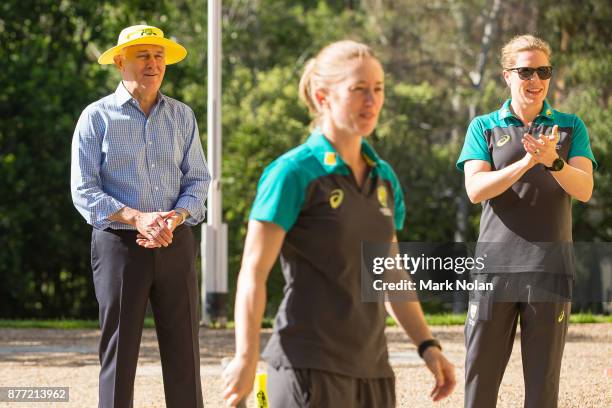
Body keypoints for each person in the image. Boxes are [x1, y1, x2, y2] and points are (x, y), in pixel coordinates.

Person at [222, 40, 455, 407]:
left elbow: (389, 272)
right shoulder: (293, 172)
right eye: (358, 90)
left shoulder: (384, 178)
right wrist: (246, 357)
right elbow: (253, 272)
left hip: (374, 371)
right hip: (307, 367)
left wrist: (428, 346)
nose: (371, 100)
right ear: (323, 96)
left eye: (378, 89)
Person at [71, 24, 210, 408]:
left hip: (175, 242)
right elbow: (83, 190)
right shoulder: (95, 117)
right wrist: (137, 218)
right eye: (142, 56)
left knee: (185, 353)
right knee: (119, 355)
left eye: (158, 56)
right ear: (120, 62)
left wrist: (176, 217)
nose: (153, 64)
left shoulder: (183, 116)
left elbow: (199, 180)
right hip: (119, 246)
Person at [456, 34, 597, 408]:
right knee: (480, 381)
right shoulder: (483, 126)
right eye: (525, 71)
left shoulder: (570, 127)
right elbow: (476, 190)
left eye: (543, 71)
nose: (535, 80)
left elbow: (584, 189)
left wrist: (553, 161)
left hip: (550, 270)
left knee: (542, 385)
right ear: (507, 76)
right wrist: (526, 162)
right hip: (494, 270)